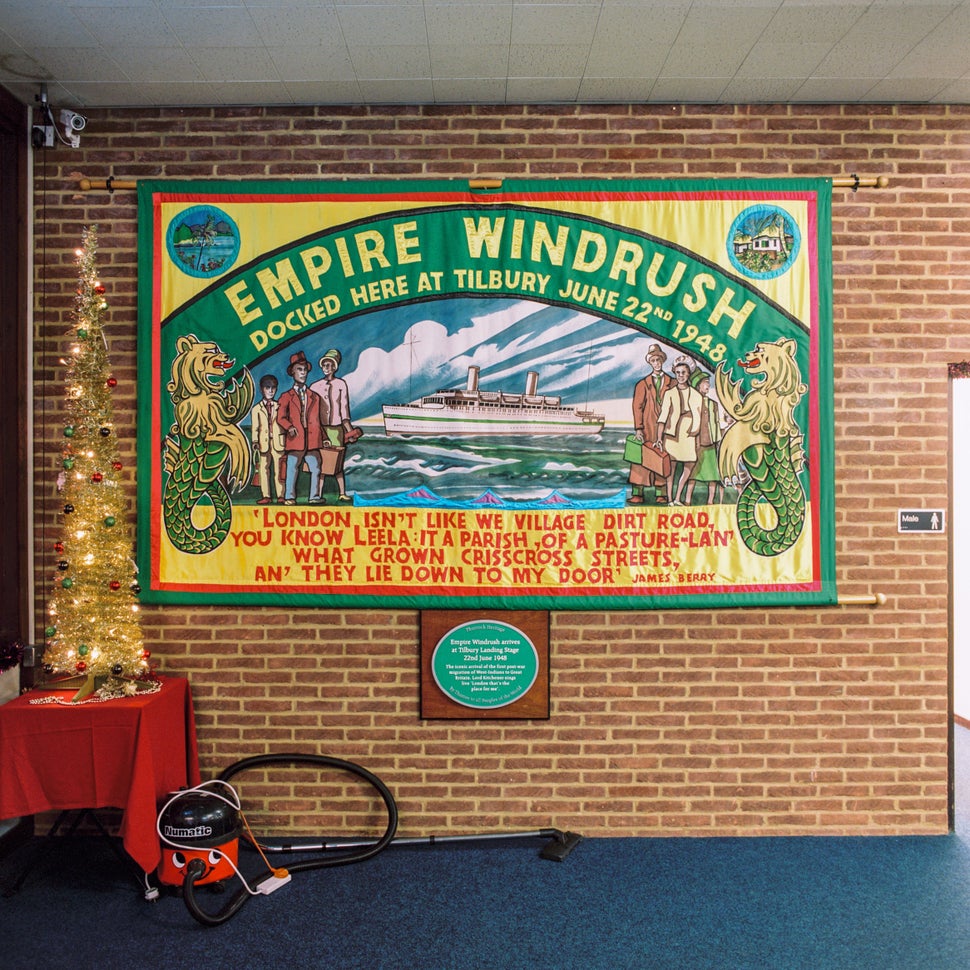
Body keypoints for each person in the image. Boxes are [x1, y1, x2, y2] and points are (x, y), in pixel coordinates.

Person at [276, 350, 326, 505]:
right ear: (292, 372)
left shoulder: (314, 396)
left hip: (312, 439)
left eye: (304, 370)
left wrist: (324, 438)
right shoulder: (286, 396)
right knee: (292, 468)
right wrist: (289, 426)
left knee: (316, 468)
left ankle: (314, 497)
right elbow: (280, 417)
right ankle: (289, 497)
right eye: (299, 369)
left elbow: (318, 420)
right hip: (295, 439)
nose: (303, 373)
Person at [311, 348, 360, 502]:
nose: (327, 368)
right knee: (321, 463)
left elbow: (344, 410)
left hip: (337, 428)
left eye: (330, 365)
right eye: (325, 365)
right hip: (321, 428)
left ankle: (342, 492)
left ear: (335, 366)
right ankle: (317, 493)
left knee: (338, 462)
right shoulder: (314, 386)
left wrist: (350, 431)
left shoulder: (341, 384)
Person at [629, 344, 674, 504]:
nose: (657, 363)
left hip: (666, 428)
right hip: (647, 428)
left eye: (659, 359)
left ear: (662, 360)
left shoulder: (672, 382)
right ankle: (637, 493)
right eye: (654, 360)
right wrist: (639, 428)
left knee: (662, 459)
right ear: (650, 362)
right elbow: (637, 407)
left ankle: (661, 494)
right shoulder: (642, 384)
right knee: (640, 460)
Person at [656, 359, 704, 506]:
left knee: (689, 466)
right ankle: (670, 500)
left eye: (683, 373)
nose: (680, 375)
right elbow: (663, 417)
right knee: (670, 469)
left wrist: (696, 437)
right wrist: (659, 438)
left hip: (689, 434)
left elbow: (699, 418)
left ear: (689, 374)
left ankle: (678, 498)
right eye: (677, 373)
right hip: (672, 434)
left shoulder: (696, 395)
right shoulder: (669, 393)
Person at [687, 370, 724, 504]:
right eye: (705, 383)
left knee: (712, 475)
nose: (708, 386)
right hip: (697, 443)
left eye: (708, 383)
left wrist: (717, 440)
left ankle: (710, 501)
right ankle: (687, 500)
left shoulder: (713, 404)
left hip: (711, 443)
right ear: (698, 385)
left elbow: (716, 423)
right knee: (692, 474)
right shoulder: (692, 402)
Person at [249, 374, 285, 505]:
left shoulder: (280, 406)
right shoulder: (256, 409)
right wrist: (254, 441)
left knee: (280, 470)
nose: (270, 391)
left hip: (278, 442)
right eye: (267, 388)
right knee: (264, 470)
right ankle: (266, 495)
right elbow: (255, 428)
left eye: (273, 388)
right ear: (262, 389)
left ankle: (281, 495)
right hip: (263, 443)